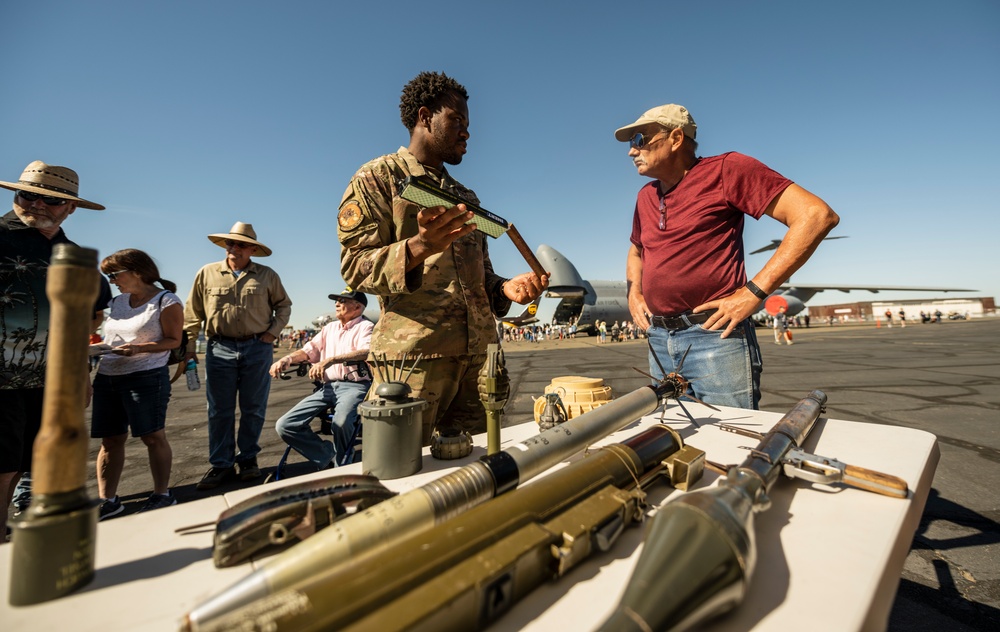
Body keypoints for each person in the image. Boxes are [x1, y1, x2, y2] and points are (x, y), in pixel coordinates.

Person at [337, 71, 547, 450]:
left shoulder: (465, 196)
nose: (467, 132)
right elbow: (355, 266)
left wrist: (505, 288)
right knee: (400, 476)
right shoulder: (379, 178)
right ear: (424, 117)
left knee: (482, 469)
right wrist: (419, 246)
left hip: (479, 363)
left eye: (468, 124)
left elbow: (479, 276)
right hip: (415, 361)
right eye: (457, 121)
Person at [618, 104, 838, 408]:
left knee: (732, 443)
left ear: (677, 138)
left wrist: (753, 293)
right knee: (670, 439)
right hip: (658, 339)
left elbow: (816, 216)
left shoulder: (727, 170)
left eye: (640, 139)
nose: (632, 151)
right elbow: (637, 250)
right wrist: (635, 293)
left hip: (714, 337)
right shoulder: (645, 196)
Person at [0, 160, 111, 540]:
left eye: (50, 199)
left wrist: (79, 373)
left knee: (22, 465)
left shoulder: (75, 256)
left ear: (71, 207)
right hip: (2, 379)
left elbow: (90, 317)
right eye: (28, 194)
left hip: (49, 382)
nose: (36, 204)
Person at [184, 222, 292, 489]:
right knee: (219, 409)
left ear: (252, 249)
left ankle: (248, 460)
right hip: (219, 347)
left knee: (253, 407)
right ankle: (220, 464)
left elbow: (284, 306)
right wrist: (188, 347)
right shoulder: (207, 273)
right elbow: (192, 312)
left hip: (257, 347)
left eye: (241, 244)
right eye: (230, 243)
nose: (234, 248)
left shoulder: (267, 275)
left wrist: (272, 334)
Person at [91, 249, 181, 519]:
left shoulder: (166, 301)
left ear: (137, 272)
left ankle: (162, 494)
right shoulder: (118, 302)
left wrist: (139, 348)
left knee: (153, 437)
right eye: (108, 276)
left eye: (114, 275)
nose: (112, 281)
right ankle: (108, 500)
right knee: (110, 440)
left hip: (146, 376)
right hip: (108, 375)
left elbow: (173, 340)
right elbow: (110, 334)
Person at [270, 288, 373, 469]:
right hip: (327, 387)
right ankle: (328, 456)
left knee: (341, 422)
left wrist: (330, 360)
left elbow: (366, 352)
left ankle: (343, 463)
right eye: (337, 301)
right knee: (285, 425)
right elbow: (308, 351)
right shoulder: (329, 328)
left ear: (357, 307)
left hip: (356, 386)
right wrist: (287, 359)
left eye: (343, 301)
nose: (337, 304)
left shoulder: (366, 326)